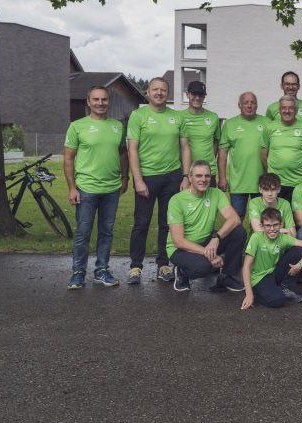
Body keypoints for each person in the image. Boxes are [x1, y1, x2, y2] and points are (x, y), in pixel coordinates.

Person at [63, 85, 127, 289]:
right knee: (83, 233)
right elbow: (68, 159)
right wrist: (72, 188)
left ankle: (101, 270)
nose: (100, 103)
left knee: (106, 232)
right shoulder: (77, 126)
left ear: (108, 102)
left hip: (111, 189)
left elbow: (123, 153)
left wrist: (125, 178)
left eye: (104, 100)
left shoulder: (117, 126)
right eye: (96, 100)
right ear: (88, 102)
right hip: (86, 188)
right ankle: (78, 273)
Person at [126, 77, 186, 285]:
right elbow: (132, 150)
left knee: (167, 224)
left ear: (167, 93)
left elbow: (185, 148)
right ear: (147, 92)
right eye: (155, 89)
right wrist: (138, 180)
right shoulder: (138, 115)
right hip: (147, 177)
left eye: (163, 90)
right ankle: (135, 266)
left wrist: (185, 176)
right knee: (141, 223)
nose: (159, 93)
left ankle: (164, 265)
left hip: (172, 176)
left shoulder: (177, 117)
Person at [167, 160, 247, 293]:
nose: (203, 180)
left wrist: (216, 237)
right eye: (198, 176)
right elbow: (178, 241)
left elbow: (235, 219)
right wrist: (210, 255)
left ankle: (227, 276)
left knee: (239, 232)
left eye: (207, 176)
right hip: (180, 249)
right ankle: (181, 272)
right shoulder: (177, 200)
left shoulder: (216, 193)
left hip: (207, 241)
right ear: (190, 178)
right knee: (203, 267)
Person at [239, 208, 302, 309]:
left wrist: (300, 265)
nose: (272, 229)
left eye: (275, 225)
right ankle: (255, 292)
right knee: (278, 300)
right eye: (268, 226)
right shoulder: (256, 238)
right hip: (258, 277)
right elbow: (246, 267)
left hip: (273, 272)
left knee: (299, 250)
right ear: (261, 226)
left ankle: (283, 287)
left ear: (281, 225)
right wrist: (249, 294)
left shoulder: (283, 238)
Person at [218, 92, 266, 217]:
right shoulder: (230, 124)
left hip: (262, 182)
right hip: (238, 184)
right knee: (237, 219)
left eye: (253, 102)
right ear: (239, 105)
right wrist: (222, 178)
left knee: (262, 218)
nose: (249, 105)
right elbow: (222, 154)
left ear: (257, 105)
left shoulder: (267, 123)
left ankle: (256, 238)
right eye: (246, 102)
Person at [262, 96, 302, 201]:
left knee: (297, 215)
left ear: (296, 110)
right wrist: (272, 172)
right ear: (279, 110)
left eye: (291, 108)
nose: (287, 111)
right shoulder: (269, 127)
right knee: (275, 215)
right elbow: (263, 155)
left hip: (298, 182)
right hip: (275, 183)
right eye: (284, 108)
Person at [179, 81, 221, 187]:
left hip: (207, 171)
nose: (197, 98)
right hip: (185, 171)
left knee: (209, 203)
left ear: (204, 96)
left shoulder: (213, 117)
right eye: (194, 94)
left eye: (201, 95)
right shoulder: (179, 117)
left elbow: (216, 142)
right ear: (187, 94)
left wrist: (209, 158)